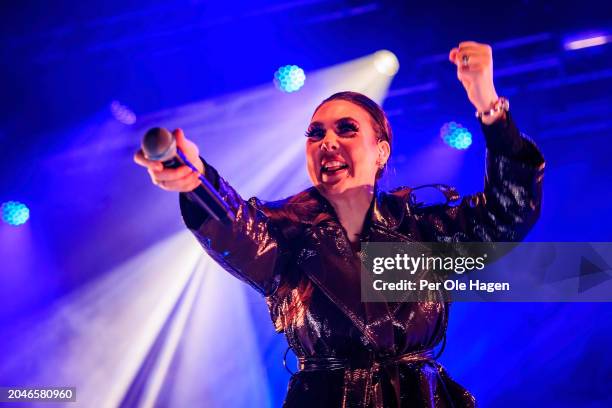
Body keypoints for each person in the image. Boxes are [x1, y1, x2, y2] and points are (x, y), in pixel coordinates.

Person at [134, 41, 545, 407]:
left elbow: (507, 215)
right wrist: (197, 180)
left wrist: (488, 106)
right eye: (315, 134)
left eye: (346, 129)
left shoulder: (423, 230)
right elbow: (235, 227)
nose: (326, 142)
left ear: (380, 151)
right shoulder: (284, 233)